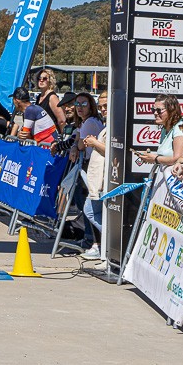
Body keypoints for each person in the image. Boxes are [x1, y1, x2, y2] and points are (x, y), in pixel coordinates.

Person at [80, 92, 110, 260]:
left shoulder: (114, 125)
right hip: (99, 177)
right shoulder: (106, 125)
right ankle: (106, 244)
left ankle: (111, 242)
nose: (103, 109)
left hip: (105, 178)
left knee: (90, 210)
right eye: (101, 107)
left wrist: (93, 142)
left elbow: (113, 150)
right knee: (92, 210)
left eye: (106, 106)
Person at [136, 94, 183, 169]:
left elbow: (178, 159)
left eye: (159, 110)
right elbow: (165, 156)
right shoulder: (164, 128)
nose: (155, 113)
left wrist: (155, 159)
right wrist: (149, 157)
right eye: (153, 110)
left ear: (171, 111)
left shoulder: (179, 127)